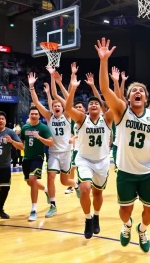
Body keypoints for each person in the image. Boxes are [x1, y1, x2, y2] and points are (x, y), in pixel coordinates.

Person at [96, 37, 150, 253]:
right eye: (133, 92)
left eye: (141, 91)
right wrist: (103, 61)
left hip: (147, 171)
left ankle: (142, 229)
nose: (137, 93)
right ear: (128, 99)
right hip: (126, 171)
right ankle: (127, 226)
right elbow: (104, 88)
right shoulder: (120, 111)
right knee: (125, 210)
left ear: (146, 98)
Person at [65, 71, 114, 239]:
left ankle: (97, 216)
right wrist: (73, 88)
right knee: (85, 189)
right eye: (91, 103)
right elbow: (67, 107)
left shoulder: (107, 119)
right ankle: (88, 219)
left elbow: (115, 103)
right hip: (84, 160)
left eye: (96, 103)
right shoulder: (81, 118)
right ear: (87, 108)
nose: (94, 105)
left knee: (98, 194)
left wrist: (97, 86)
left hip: (102, 161)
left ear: (101, 108)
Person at [28, 72, 78, 218]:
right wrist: (31, 87)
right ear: (52, 107)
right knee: (50, 177)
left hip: (66, 153)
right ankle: (53, 205)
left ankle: (75, 185)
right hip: (53, 153)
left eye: (59, 105)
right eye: (54, 105)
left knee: (64, 181)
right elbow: (37, 103)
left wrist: (56, 81)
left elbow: (67, 99)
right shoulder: (49, 116)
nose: (57, 106)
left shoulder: (68, 115)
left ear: (62, 108)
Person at [21, 107, 54, 221]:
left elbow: (51, 142)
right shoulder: (25, 127)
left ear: (39, 116)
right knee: (30, 182)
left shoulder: (43, 128)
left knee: (32, 179)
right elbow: (22, 142)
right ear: (29, 115)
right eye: (32, 114)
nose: (34, 115)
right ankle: (46, 190)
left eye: (36, 114)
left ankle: (33, 210)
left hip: (38, 158)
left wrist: (39, 137)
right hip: (26, 159)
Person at [0, 111, 24, 219]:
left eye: (3, 119)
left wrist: (11, 141)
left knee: (5, 189)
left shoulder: (10, 132)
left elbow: (21, 147)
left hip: (4, 166)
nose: (1, 120)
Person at [65, 101, 86, 194]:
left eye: (80, 107)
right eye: (76, 107)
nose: (78, 108)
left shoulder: (88, 119)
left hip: (86, 149)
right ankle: (71, 186)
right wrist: (72, 140)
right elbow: (73, 133)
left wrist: (74, 137)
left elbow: (85, 134)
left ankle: (88, 184)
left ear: (84, 109)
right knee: (72, 168)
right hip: (77, 149)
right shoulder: (74, 120)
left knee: (84, 168)